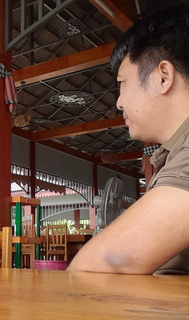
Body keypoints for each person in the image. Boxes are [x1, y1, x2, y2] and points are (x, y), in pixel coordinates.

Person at [68, 4, 189, 275]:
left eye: (122, 83)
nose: (119, 103)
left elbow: (111, 260)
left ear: (163, 77)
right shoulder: (174, 153)